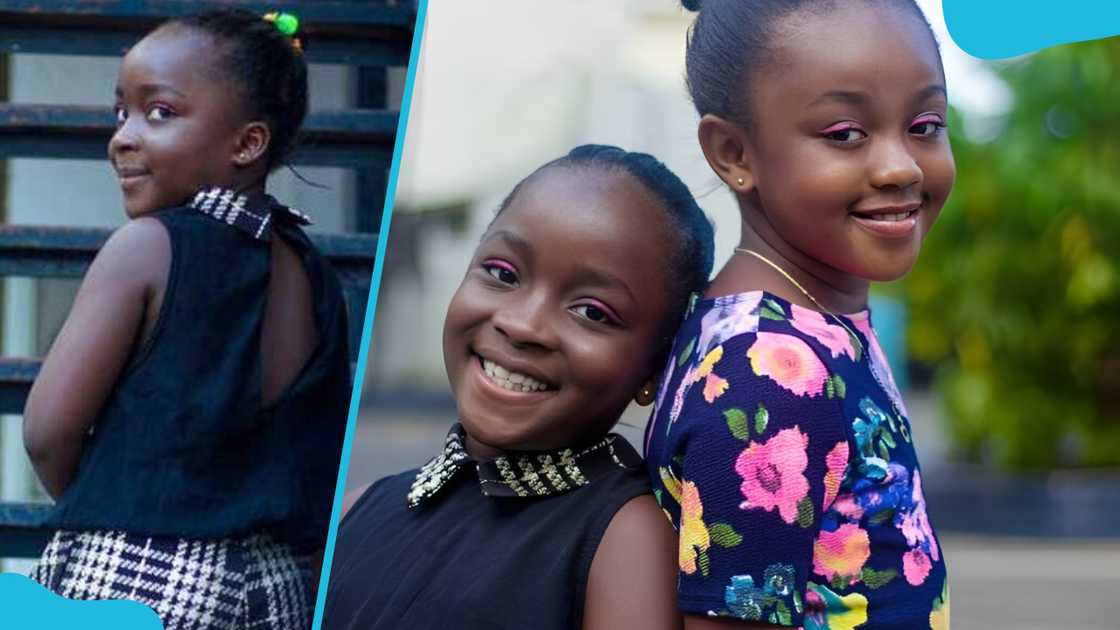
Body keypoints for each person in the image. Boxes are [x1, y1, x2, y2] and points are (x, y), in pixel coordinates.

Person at [22, 9, 350, 629]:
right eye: (121, 112)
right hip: (277, 587)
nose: (123, 136)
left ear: (247, 144)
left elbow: (46, 432)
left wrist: (118, 511)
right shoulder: (313, 273)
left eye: (159, 112)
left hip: (136, 580)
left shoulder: (146, 247)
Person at [644, 1, 955, 628]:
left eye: (924, 125)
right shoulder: (767, 372)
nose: (901, 166)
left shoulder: (812, 327)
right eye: (845, 134)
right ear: (734, 152)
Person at [323, 145, 715, 630]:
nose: (522, 325)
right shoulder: (358, 507)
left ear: (655, 368)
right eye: (502, 274)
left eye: (592, 312)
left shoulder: (626, 541)